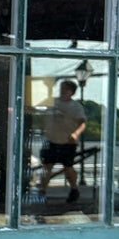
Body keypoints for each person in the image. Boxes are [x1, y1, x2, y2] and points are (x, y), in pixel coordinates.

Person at [36, 79, 87, 207]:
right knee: (47, 166)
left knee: (68, 167)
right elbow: (38, 109)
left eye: (66, 89)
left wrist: (75, 134)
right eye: (62, 88)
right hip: (51, 140)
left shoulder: (76, 107)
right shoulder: (52, 102)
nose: (62, 91)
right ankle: (42, 192)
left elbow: (82, 123)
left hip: (67, 142)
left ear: (71, 92)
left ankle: (74, 189)